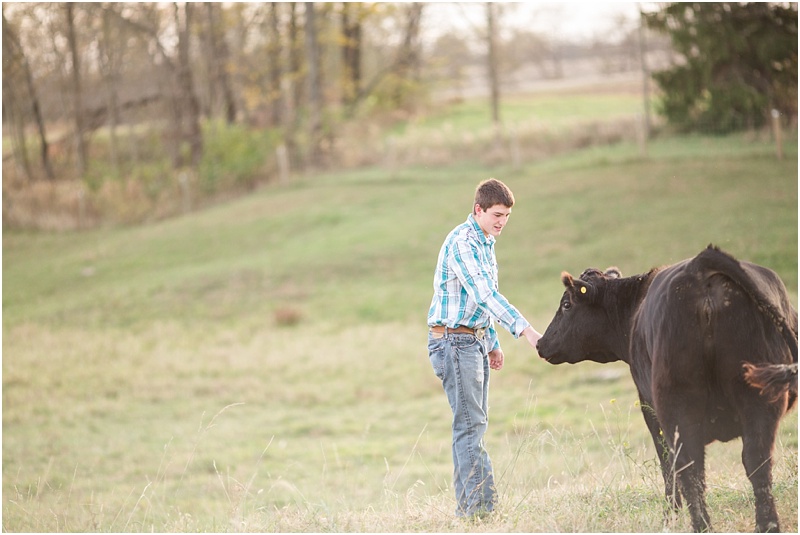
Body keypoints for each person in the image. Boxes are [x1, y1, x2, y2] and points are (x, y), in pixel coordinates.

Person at [426, 177, 542, 519]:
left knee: (473, 425)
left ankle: (475, 508)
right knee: (469, 427)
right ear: (478, 209)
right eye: (496, 214)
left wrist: (491, 343)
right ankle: (477, 512)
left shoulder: (485, 242)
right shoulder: (463, 242)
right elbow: (485, 295)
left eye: (506, 216)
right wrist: (527, 332)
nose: (501, 221)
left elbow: (478, 301)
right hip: (452, 342)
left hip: (472, 340)